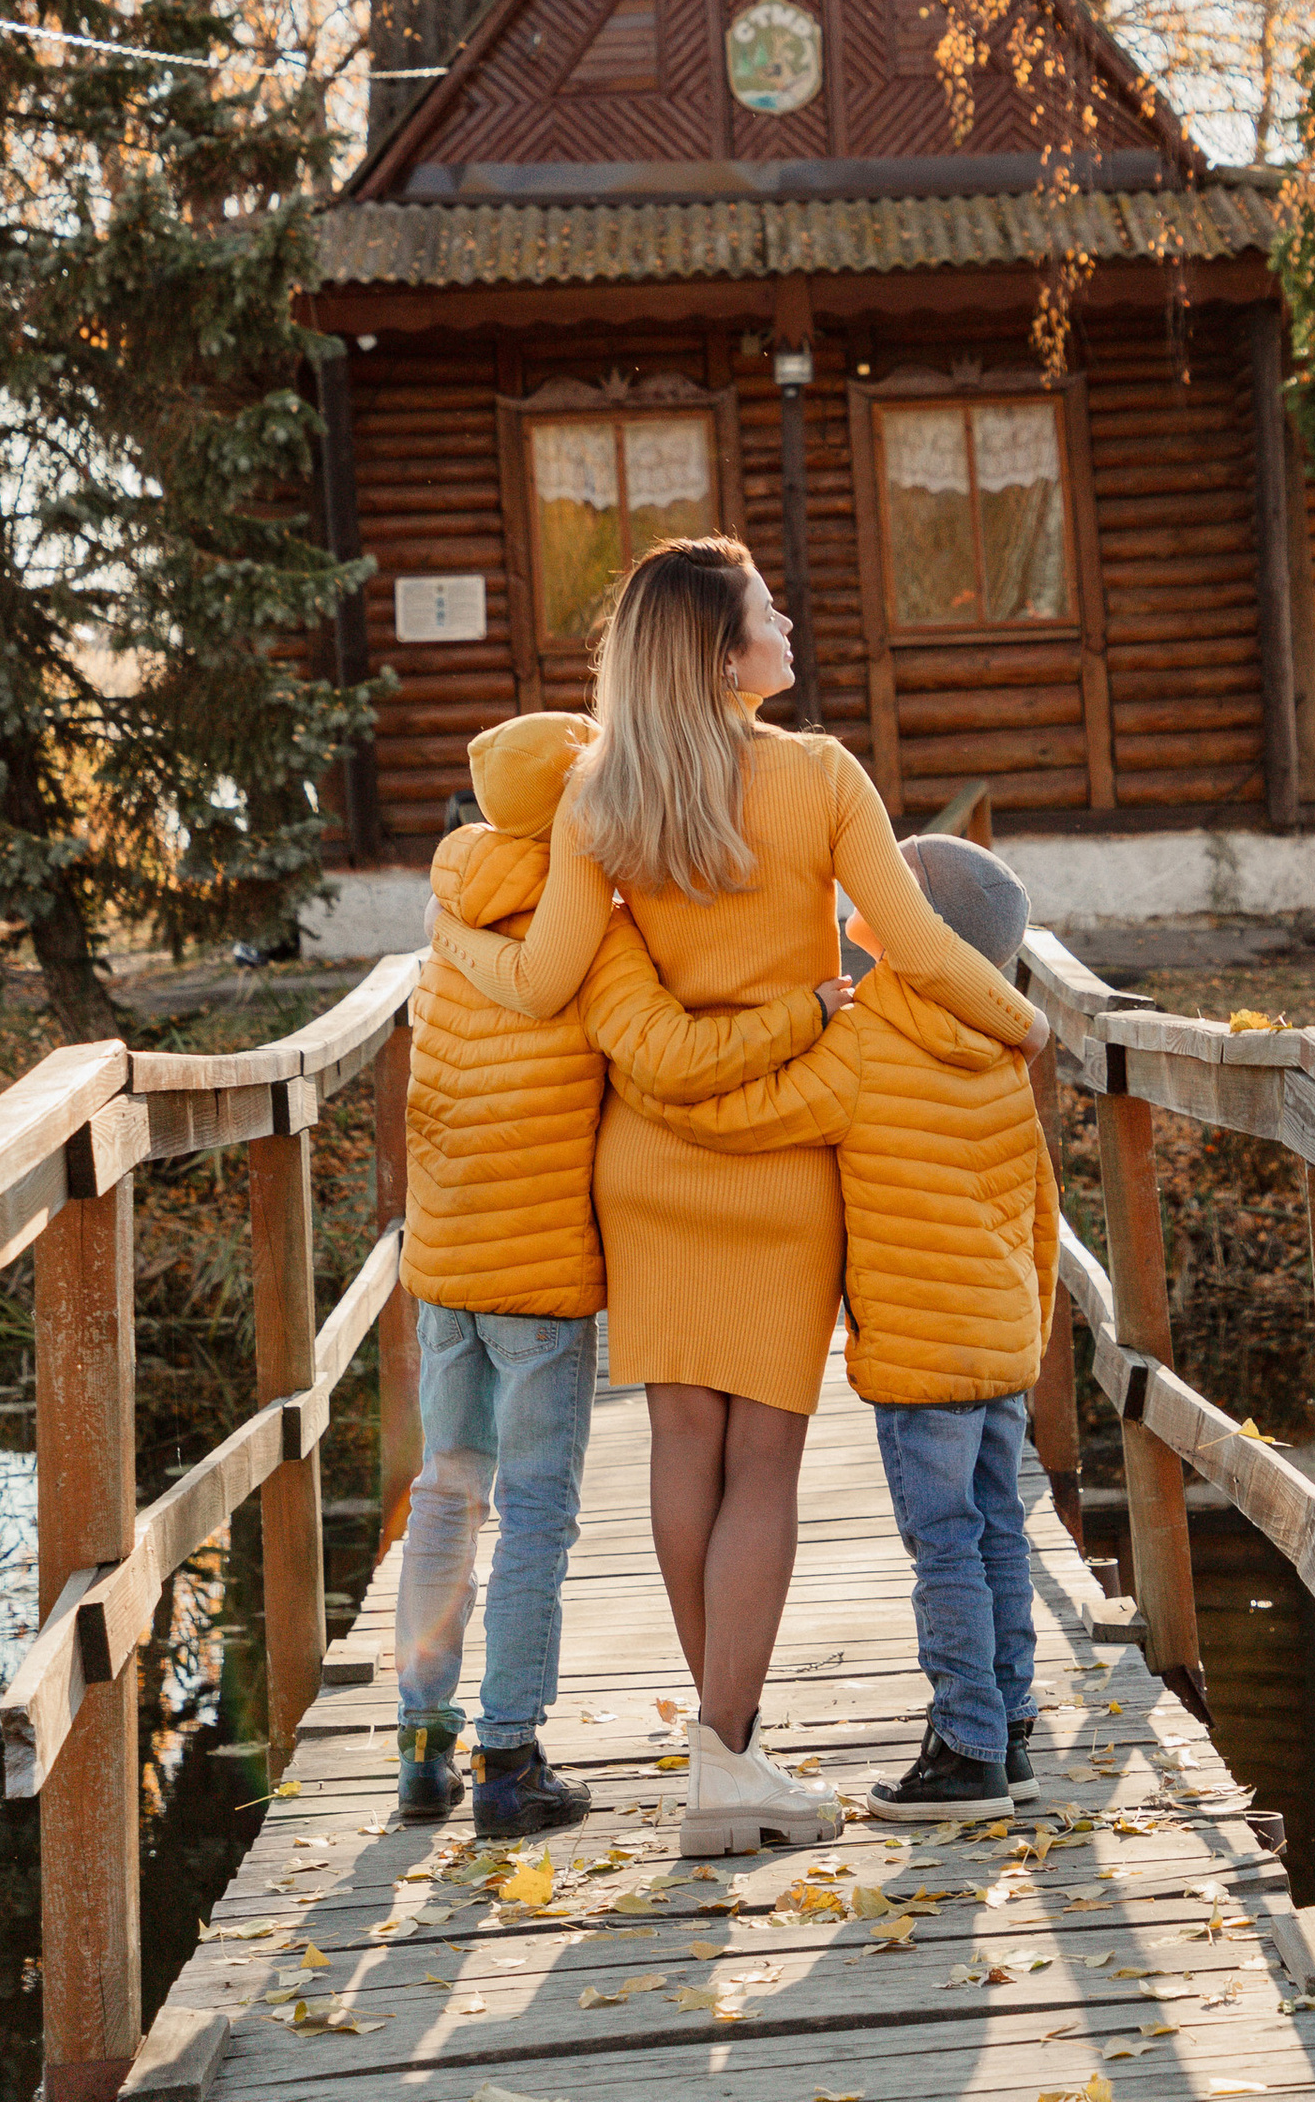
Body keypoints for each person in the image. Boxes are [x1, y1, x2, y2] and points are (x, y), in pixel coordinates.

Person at [427, 533, 1049, 1851]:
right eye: (769, 613)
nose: (789, 628)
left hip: (650, 1163)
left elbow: (545, 984)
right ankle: (724, 1761)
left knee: (681, 1449)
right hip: (783, 1163)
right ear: (722, 656)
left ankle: (732, 1756)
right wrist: (1026, 1024)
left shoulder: (600, 797)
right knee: (764, 1464)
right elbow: (917, 945)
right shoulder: (819, 776)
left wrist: (453, 943)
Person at [392, 700, 841, 1833]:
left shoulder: (453, 906)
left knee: (446, 1489)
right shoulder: (587, 924)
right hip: (540, 1266)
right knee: (536, 1509)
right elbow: (660, 1048)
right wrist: (805, 1012)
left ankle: (422, 1748)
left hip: (442, 1258)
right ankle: (508, 1761)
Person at [628, 830, 1056, 1823]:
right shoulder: (1000, 1047)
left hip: (919, 1353)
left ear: (910, 926)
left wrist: (655, 1088)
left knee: (944, 1543)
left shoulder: (865, 1042)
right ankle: (1010, 1727)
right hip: (999, 1343)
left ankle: (964, 1749)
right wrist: (1028, 1330)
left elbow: (750, 1116)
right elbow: (1041, 1209)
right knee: (998, 1533)